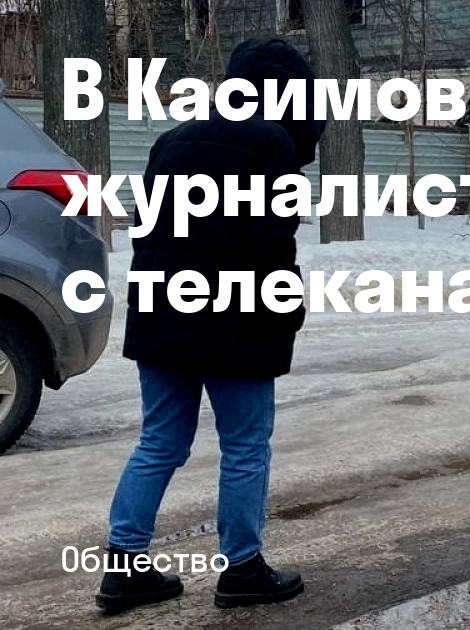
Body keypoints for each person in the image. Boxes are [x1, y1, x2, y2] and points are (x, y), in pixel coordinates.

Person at [96, 39, 325, 615]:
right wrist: (286, 307)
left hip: (162, 312)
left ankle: (123, 567)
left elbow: (146, 228)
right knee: (245, 446)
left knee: (159, 441)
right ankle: (242, 568)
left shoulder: (171, 140)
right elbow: (271, 241)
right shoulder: (271, 142)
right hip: (235, 319)